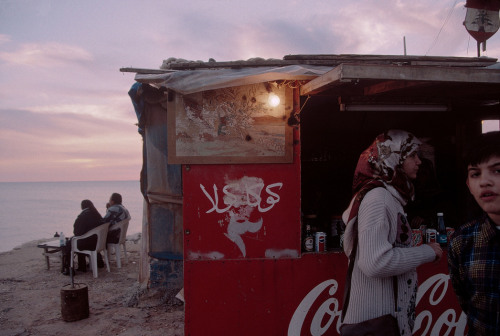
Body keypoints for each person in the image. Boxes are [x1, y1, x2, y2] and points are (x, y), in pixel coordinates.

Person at [341, 130, 443, 335]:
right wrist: (428, 251)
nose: (419, 162)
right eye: (413, 155)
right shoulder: (378, 198)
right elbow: (375, 263)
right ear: (394, 158)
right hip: (375, 322)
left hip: (379, 321)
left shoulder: (387, 195)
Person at [448, 131, 500, 335]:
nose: (484, 181)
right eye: (475, 174)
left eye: (497, 170)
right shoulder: (463, 241)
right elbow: (466, 302)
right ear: (469, 185)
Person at [61, 199, 104, 275]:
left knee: (69, 243)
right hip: (97, 241)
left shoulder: (83, 216)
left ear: (82, 207)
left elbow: (77, 232)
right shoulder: (97, 214)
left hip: (88, 243)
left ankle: (69, 268)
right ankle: (96, 262)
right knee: (79, 240)